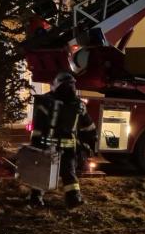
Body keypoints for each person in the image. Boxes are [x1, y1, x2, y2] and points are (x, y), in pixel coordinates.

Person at [28, 72, 97, 208]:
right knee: (69, 174)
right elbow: (89, 127)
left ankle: (36, 199)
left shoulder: (46, 102)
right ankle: (74, 199)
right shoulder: (79, 105)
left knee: (43, 172)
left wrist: (35, 145)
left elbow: (38, 126)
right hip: (68, 148)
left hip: (47, 146)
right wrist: (89, 143)